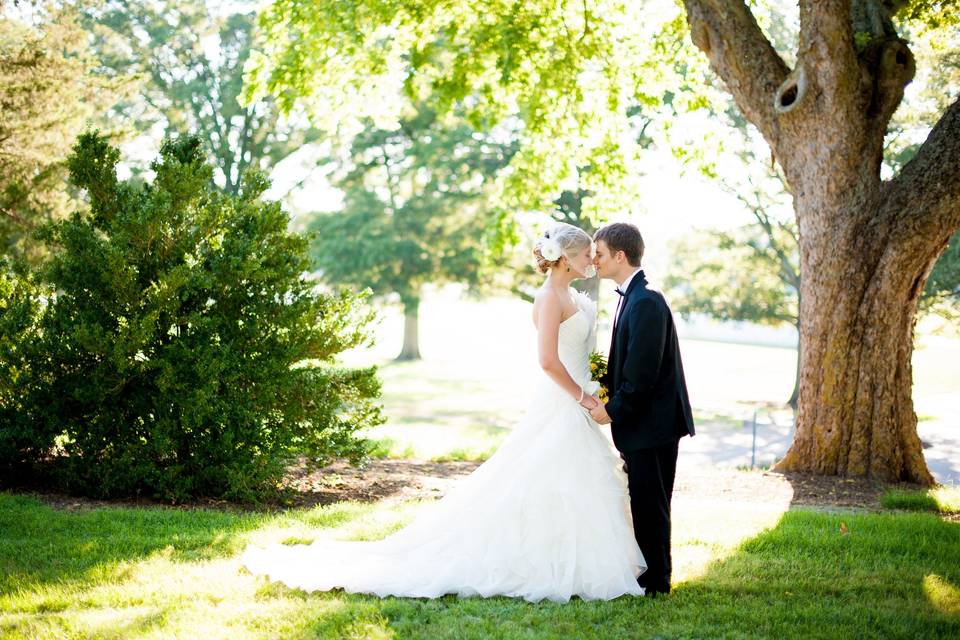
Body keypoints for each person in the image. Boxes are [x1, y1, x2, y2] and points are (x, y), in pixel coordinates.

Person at [242, 222, 646, 603]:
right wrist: (584, 397)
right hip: (563, 400)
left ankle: (571, 562)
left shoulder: (575, 297)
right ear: (565, 258)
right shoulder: (548, 298)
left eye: (596, 255)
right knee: (542, 477)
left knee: (571, 482)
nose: (592, 261)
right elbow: (546, 361)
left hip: (578, 397)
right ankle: (547, 564)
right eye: (585, 255)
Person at [589, 222, 695, 597]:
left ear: (620, 255)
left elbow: (643, 374)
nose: (594, 260)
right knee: (645, 501)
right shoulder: (630, 296)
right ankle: (649, 576)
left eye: (599, 254)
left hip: (654, 425)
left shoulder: (647, 300)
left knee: (652, 505)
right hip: (645, 423)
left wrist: (611, 410)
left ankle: (657, 583)